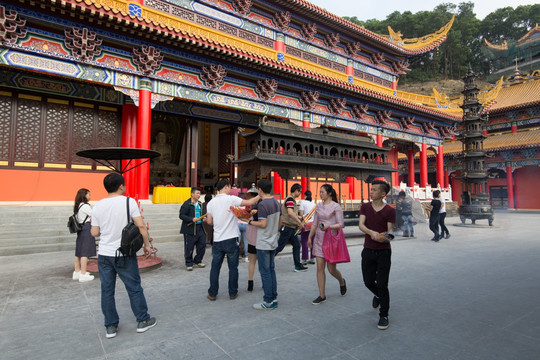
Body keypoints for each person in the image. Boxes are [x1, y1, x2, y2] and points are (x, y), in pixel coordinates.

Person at [91, 173, 157, 339]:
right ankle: (142, 320)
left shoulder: (97, 206)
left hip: (104, 254)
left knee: (107, 291)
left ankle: (111, 326)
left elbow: (94, 232)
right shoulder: (129, 202)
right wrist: (147, 245)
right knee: (134, 287)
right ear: (121, 186)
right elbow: (140, 225)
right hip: (124, 253)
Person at [205, 179, 260, 301]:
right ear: (226, 187)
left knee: (215, 268)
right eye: (229, 187)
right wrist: (260, 194)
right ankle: (232, 292)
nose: (230, 189)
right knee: (233, 268)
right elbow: (249, 201)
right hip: (231, 239)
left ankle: (212, 293)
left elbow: (209, 221)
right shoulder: (231, 199)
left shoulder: (211, 203)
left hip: (218, 240)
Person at [358, 180, 396, 330]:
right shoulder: (365, 207)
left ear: (382, 194)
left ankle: (384, 315)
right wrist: (371, 233)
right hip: (368, 249)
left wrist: (383, 237)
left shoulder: (389, 211)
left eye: (374, 190)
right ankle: (378, 295)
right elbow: (361, 225)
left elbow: (390, 232)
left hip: (383, 252)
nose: (371, 191)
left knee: (382, 284)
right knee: (368, 282)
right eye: (371, 189)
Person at [307, 184, 346, 305]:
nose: (320, 194)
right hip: (319, 238)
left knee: (331, 269)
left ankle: (341, 281)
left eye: (322, 192)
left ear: (329, 193)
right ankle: (322, 295)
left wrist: (329, 226)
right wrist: (309, 237)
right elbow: (314, 223)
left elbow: (341, 224)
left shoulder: (336, 207)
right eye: (320, 192)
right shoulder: (318, 206)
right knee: (319, 267)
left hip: (331, 239)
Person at [249, 179, 281, 310]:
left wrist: (249, 222)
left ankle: (268, 300)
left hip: (263, 242)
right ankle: (273, 297)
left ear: (260, 190)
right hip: (273, 240)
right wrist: (275, 232)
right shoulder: (276, 202)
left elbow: (263, 224)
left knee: (265, 271)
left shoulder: (262, 204)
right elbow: (281, 221)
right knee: (271, 270)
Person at [275, 184, 308, 272]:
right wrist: (299, 221)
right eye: (300, 191)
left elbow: (291, 213)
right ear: (296, 190)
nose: (300, 193)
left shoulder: (291, 199)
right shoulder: (290, 199)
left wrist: (298, 217)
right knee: (279, 247)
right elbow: (290, 212)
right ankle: (267, 260)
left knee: (297, 245)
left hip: (291, 227)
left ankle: (298, 265)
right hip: (287, 227)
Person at [179, 187, 207, 271]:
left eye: (199, 193)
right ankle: (189, 263)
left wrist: (203, 219)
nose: (199, 195)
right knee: (189, 247)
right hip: (190, 228)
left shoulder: (200, 203)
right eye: (197, 193)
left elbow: (201, 215)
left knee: (202, 244)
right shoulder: (187, 204)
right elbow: (181, 215)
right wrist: (191, 219)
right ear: (192, 194)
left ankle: (198, 260)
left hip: (199, 227)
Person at [73, 188, 96, 282]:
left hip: (81, 229)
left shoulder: (78, 206)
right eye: (88, 194)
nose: (90, 196)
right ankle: (83, 274)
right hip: (86, 228)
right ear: (84, 195)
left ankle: (77, 272)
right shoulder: (86, 206)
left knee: (79, 251)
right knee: (84, 252)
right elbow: (94, 215)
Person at [245, 184, 260, 291]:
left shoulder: (252, 208)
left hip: (252, 237)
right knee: (263, 263)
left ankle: (250, 283)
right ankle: (265, 282)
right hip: (261, 236)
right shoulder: (263, 205)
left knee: (252, 261)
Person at [299, 190, 316, 265]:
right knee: (312, 241)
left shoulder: (303, 202)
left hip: (306, 224)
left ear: (305, 196)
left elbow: (301, 214)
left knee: (304, 241)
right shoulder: (314, 203)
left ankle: (304, 259)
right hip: (313, 224)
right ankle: (312, 258)